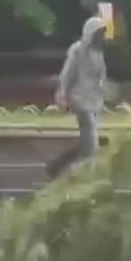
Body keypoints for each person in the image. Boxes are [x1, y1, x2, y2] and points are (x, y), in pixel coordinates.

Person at [47, 16, 108, 178]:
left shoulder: (98, 54)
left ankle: (57, 166)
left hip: (93, 100)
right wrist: (61, 93)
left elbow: (101, 77)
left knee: (87, 142)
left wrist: (104, 94)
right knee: (92, 140)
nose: (102, 37)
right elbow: (67, 73)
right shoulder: (78, 50)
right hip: (79, 99)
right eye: (99, 33)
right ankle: (88, 175)